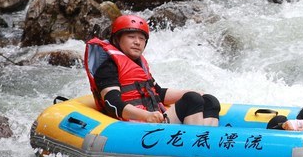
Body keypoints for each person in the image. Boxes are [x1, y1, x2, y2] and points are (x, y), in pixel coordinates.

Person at [83, 15, 221, 126]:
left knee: (210, 100)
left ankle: (206, 142)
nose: (137, 42)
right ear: (117, 40)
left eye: (141, 38)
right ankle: (194, 145)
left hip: (154, 118)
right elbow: (112, 103)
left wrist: (194, 92)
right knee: (192, 100)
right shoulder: (108, 68)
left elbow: (158, 93)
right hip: (134, 124)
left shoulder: (139, 65)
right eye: (131, 37)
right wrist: (146, 116)